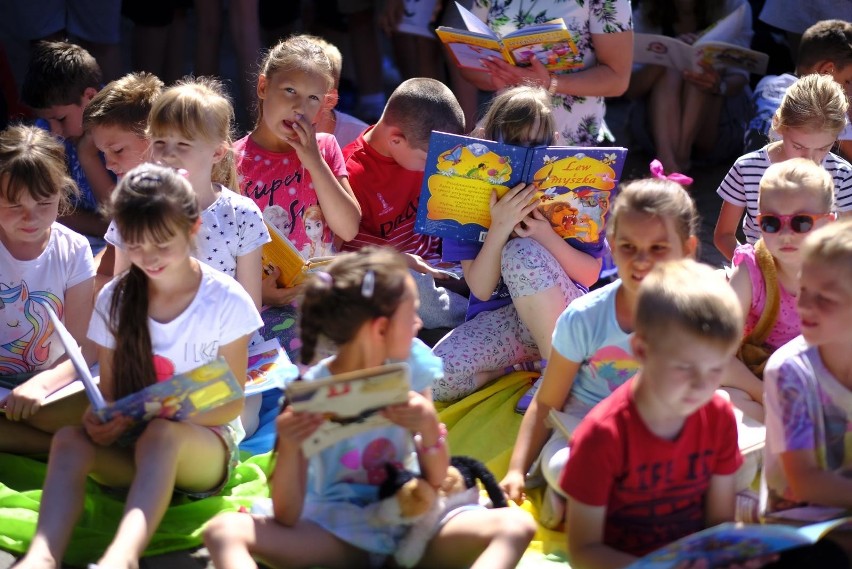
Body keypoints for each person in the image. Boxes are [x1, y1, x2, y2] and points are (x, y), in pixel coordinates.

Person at [203, 247, 536, 569]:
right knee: (223, 531)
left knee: (514, 526)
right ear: (380, 328)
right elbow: (287, 515)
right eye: (412, 314)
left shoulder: (414, 363)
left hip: (406, 519)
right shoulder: (313, 389)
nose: (419, 323)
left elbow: (436, 477)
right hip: (334, 530)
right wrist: (289, 447)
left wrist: (428, 425)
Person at [14, 163, 263, 569]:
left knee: (162, 434)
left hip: (204, 450)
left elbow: (229, 404)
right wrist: (106, 419)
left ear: (193, 227)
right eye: (135, 243)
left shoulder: (225, 301)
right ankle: (43, 555)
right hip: (134, 445)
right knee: (69, 440)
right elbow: (111, 393)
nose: (149, 256)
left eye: (161, 242)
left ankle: (122, 557)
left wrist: (160, 412)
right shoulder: (115, 298)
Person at [499, 177, 700, 528]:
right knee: (565, 467)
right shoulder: (584, 317)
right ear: (611, 246)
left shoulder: (697, 312)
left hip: (658, 436)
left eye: (658, 249)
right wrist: (516, 471)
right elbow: (547, 402)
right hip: (586, 429)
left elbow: (714, 381)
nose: (641, 261)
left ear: (688, 249)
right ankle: (596, 499)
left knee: (735, 463)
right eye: (628, 247)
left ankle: (589, 504)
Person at [104, 77, 270, 436]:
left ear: (217, 152)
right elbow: (121, 290)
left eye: (183, 144)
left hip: (221, 356)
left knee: (240, 423)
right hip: (154, 348)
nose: (168, 155)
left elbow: (249, 305)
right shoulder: (134, 206)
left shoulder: (241, 213)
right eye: (160, 143)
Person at [562, 259, 744, 567]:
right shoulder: (601, 436)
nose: (702, 385)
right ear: (642, 351)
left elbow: (719, 524)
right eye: (685, 367)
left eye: (716, 369)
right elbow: (585, 551)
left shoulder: (719, 415)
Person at [432, 85, 605, 403]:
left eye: (536, 144)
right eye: (513, 143)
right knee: (435, 378)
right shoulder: (465, 194)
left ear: (553, 144)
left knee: (520, 252)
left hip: (561, 314)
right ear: (487, 138)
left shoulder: (571, 192)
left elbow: (591, 275)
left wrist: (544, 234)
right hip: (504, 323)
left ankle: (557, 371)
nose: (525, 153)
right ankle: (523, 364)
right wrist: (499, 227)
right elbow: (481, 290)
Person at [233, 35, 361, 360]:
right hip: (263, 306)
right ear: (263, 87)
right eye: (289, 91)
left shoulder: (326, 149)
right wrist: (259, 292)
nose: (299, 108)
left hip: (329, 298)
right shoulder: (232, 163)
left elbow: (348, 228)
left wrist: (314, 162)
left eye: (313, 98)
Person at [340, 77, 468, 330]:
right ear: (396, 139)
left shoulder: (420, 151)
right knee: (404, 285)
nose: (433, 166)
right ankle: (474, 317)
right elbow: (347, 254)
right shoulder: (351, 173)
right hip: (401, 276)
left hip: (443, 266)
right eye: (427, 159)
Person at [759, 219, 852, 566]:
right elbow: (805, 481)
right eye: (803, 291)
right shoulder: (790, 370)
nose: (805, 306)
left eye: (825, 298)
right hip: (800, 526)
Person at [0, 125, 95, 455]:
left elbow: (82, 346)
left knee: (105, 411)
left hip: (53, 387)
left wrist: (40, 385)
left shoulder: (73, 249)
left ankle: (24, 438)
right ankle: (56, 446)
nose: (31, 217)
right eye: (14, 206)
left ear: (61, 192)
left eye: (44, 202)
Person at [722, 159, 836, 422]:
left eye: (801, 222)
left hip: (819, 378)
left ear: (828, 223)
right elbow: (717, 351)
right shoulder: (751, 270)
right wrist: (764, 394)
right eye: (772, 223)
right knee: (727, 402)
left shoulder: (838, 270)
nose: (785, 234)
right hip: (758, 377)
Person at [714, 73, 852, 262]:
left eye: (823, 148)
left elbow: (846, 240)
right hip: (762, 275)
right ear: (779, 125)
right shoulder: (747, 168)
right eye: (798, 146)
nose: (810, 158)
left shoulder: (842, 174)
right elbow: (724, 235)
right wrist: (753, 269)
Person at [457, 0, 633, 146]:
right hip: (504, 133)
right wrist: (503, 76)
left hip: (570, 138)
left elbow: (617, 79)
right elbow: (469, 67)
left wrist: (550, 83)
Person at [625, 0, 753, 174]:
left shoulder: (734, 6)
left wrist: (716, 84)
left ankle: (678, 159)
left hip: (718, 126)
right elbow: (631, 89)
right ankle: (670, 161)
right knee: (672, 68)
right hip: (653, 128)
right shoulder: (646, 11)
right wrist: (670, 54)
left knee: (698, 69)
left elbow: (740, 77)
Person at [20, 41, 114, 254]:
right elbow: (41, 205)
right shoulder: (46, 129)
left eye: (61, 119)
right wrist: (106, 228)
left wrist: (87, 156)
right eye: (47, 120)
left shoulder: (125, 130)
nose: (55, 132)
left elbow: (125, 220)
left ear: (90, 96)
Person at [82, 71, 164, 291]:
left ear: (154, 135)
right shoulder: (131, 186)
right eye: (103, 154)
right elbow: (111, 256)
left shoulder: (182, 192)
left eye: (117, 150)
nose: (109, 164)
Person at [744, 20, 852, 159]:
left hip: (753, 173)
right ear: (827, 71)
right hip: (793, 176)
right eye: (849, 81)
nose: (850, 91)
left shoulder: (765, 84)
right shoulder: (825, 104)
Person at [303, 34, 369, 149]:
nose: (295, 103)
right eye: (289, 90)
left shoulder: (361, 139)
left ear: (330, 100)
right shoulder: (271, 130)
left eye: (311, 96)